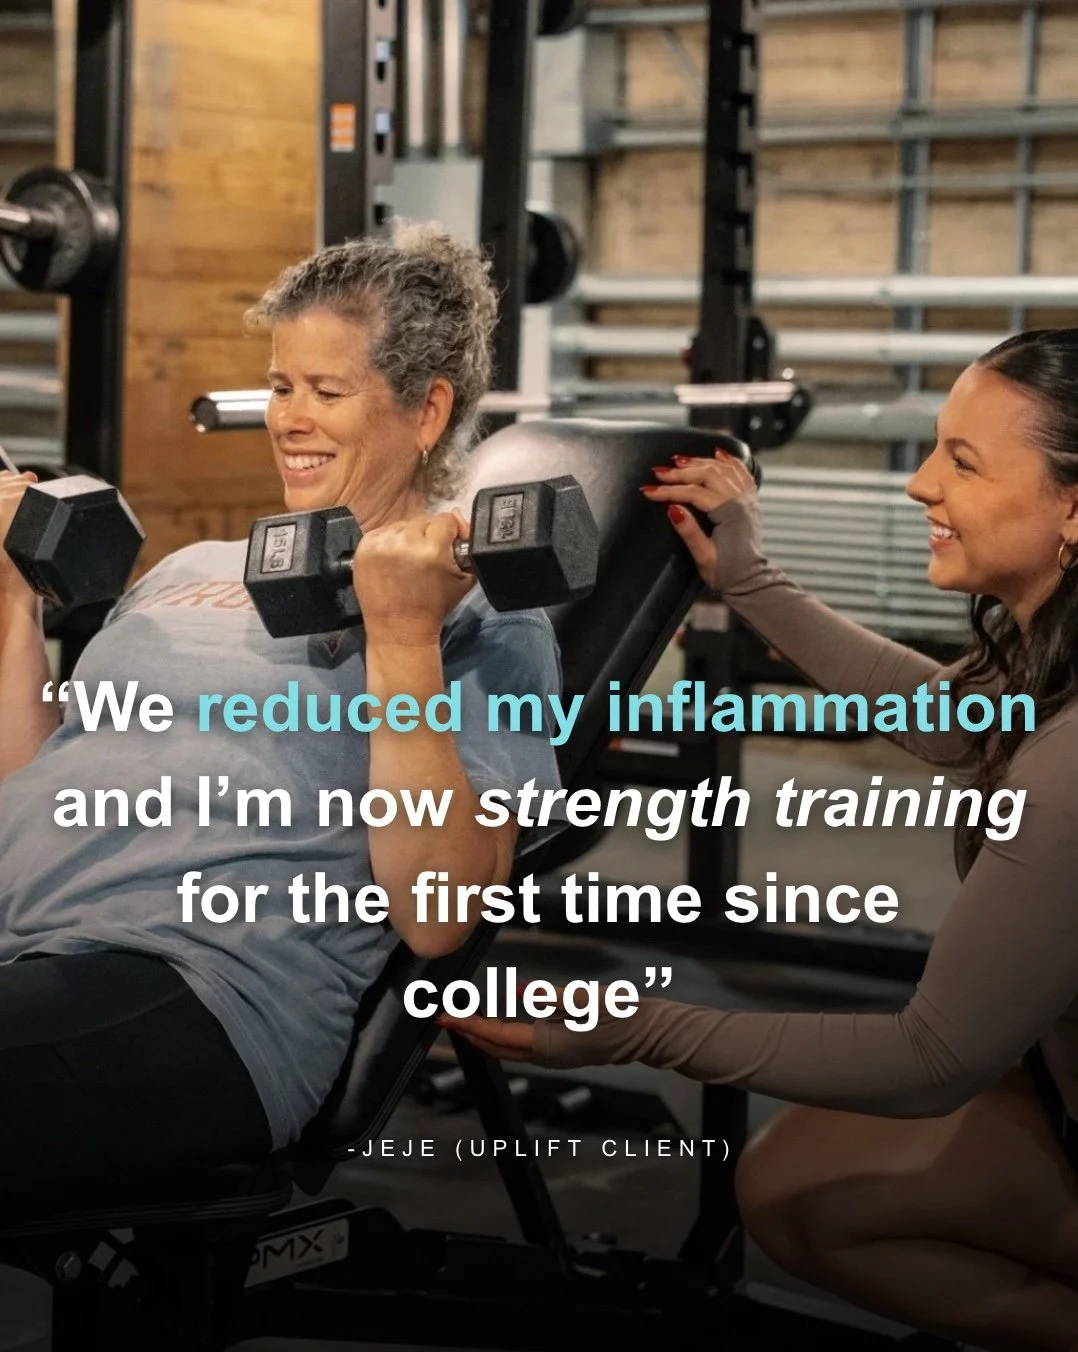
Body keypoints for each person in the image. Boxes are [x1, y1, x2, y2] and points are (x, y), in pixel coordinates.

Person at [442, 329, 1078, 1352]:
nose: (920, 483)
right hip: (1053, 1082)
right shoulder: (1052, 668)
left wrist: (636, 1025)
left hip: (1027, 1087)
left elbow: (931, 1056)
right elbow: (948, 713)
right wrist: (750, 578)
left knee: (814, 1191)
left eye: (962, 461)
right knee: (793, 1187)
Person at [0, 223, 563, 1196]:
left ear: (426, 410)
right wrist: (10, 600)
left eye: (327, 391)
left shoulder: (477, 615)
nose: (289, 417)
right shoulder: (190, 567)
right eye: (280, 385)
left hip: (199, 988)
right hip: (27, 948)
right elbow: (38, 783)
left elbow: (437, 916)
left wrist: (399, 636)